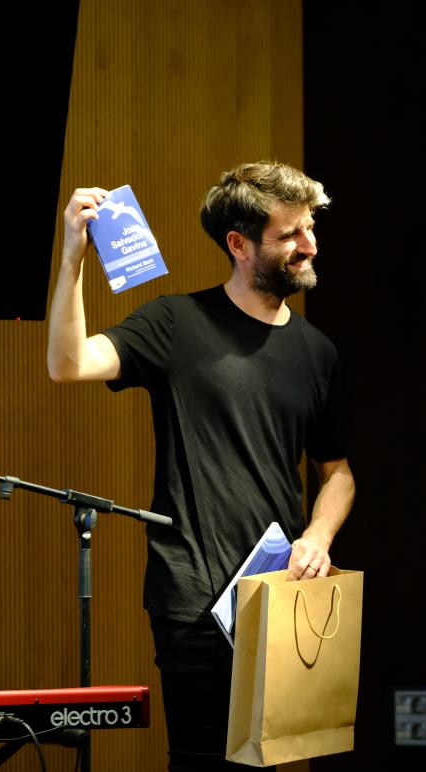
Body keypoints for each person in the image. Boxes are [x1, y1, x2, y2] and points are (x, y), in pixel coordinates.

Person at [46, 164, 356, 772]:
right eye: (289, 234)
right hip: (192, 593)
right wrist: (72, 258)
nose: (310, 245)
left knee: (276, 761)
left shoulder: (318, 352)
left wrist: (318, 536)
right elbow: (68, 363)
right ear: (239, 245)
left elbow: (337, 472)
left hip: (281, 592)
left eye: (309, 227)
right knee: (200, 760)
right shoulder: (174, 324)